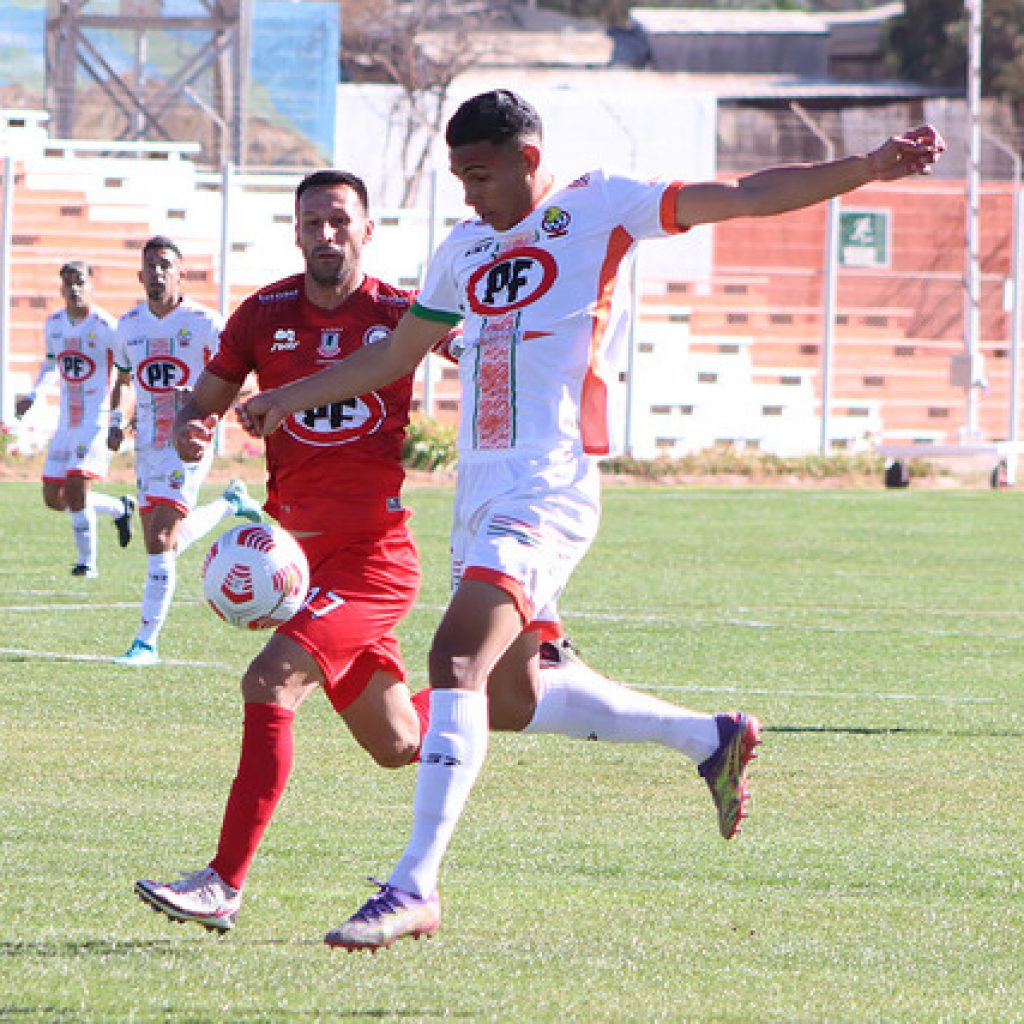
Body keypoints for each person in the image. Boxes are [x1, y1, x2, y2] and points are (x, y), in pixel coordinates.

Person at [238, 90, 946, 951]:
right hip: (480, 495)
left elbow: (747, 193)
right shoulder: (462, 249)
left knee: (454, 658)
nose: (469, 194)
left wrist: (867, 168)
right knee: (510, 697)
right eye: (459, 178)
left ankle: (413, 885)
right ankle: (709, 737)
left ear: (529, 160)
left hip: (549, 485)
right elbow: (393, 354)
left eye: (480, 175)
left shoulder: (598, 206)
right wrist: (287, 398)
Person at [134, 169, 754, 935]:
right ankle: (701, 735)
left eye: (339, 221)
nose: (326, 235)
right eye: (312, 222)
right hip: (300, 558)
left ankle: (223, 883)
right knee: (402, 742)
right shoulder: (261, 315)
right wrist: (191, 427)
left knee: (270, 681)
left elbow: (492, 344)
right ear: (294, 232)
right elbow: (202, 402)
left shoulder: (401, 313)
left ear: (367, 230)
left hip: (372, 563)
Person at [110, 235, 263, 667]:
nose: (157, 273)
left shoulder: (206, 323)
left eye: (166, 266)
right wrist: (117, 420)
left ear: (181, 273)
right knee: (165, 542)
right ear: (140, 275)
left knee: (160, 538)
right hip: (147, 445)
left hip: (190, 440)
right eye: (151, 266)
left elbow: (246, 380)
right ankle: (230, 503)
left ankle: (146, 642)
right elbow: (124, 381)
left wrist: (198, 396)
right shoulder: (129, 326)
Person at [15, 260, 135, 577]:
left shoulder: (106, 326)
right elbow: (51, 364)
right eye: (68, 282)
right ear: (61, 288)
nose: (74, 288)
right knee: (54, 498)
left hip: (95, 420)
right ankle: (119, 508)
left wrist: (119, 418)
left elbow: (126, 373)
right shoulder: (54, 324)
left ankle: (87, 564)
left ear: (92, 285)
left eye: (80, 281)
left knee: (77, 487)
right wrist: (34, 395)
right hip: (67, 422)